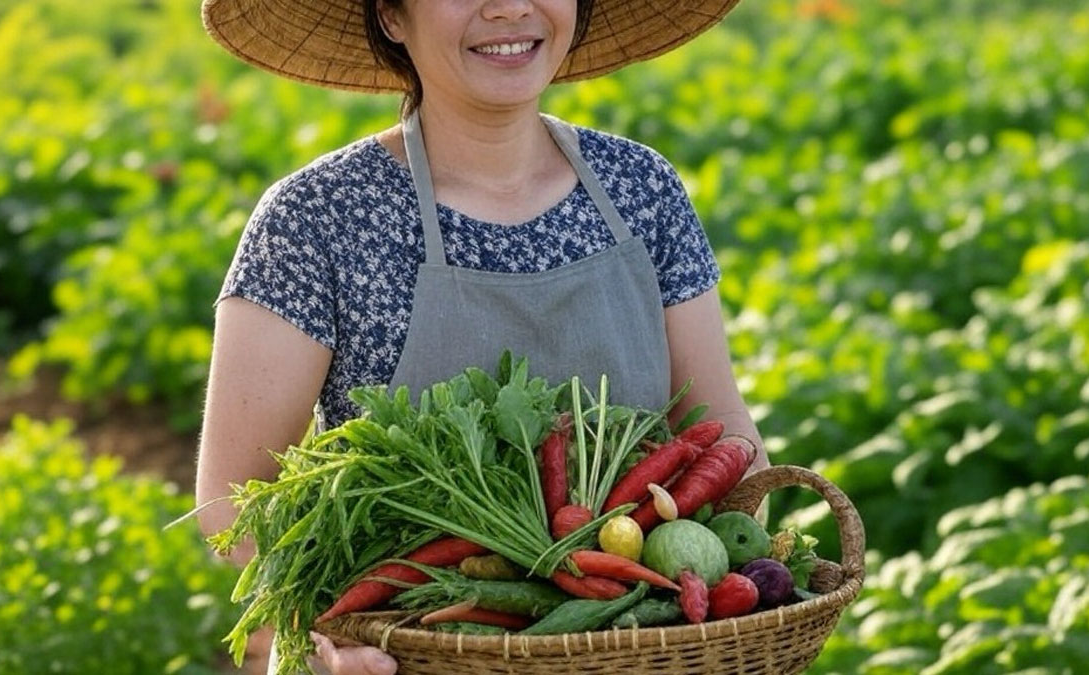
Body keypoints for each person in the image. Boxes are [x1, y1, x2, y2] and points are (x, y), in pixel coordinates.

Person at [194, 0, 766, 673]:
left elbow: (721, 426)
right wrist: (325, 635)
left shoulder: (641, 189)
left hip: (635, 640)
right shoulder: (317, 219)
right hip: (404, 651)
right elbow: (234, 503)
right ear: (391, 16)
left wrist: (743, 564)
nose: (510, 8)